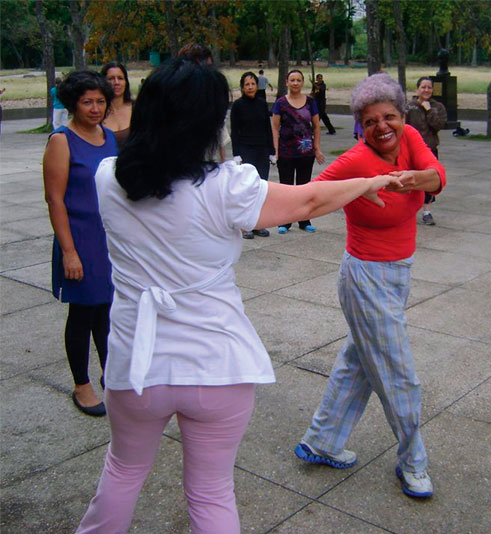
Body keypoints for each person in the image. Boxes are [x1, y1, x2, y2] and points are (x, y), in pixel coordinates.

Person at [74, 58, 400, 534]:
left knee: (122, 472)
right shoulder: (227, 187)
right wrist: (368, 181)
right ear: (208, 124)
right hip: (216, 364)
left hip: (136, 365)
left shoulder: (108, 178)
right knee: (210, 492)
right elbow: (308, 199)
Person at [294, 72, 446, 499]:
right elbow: (307, 196)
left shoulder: (412, 136)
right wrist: (357, 187)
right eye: (371, 120)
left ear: (402, 115)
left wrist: (411, 179)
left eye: (390, 117)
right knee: (399, 374)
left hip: (399, 272)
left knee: (359, 362)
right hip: (365, 276)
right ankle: (413, 462)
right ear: (361, 124)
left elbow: (436, 175)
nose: (383, 127)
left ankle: (322, 441)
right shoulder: (357, 160)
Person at [42, 70, 118, 417]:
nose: (94, 108)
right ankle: (81, 384)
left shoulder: (110, 137)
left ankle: (111, 377)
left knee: (108, 311)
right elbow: (55, 200)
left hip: (108, 239)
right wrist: (69, 252)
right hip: (79, 238)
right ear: (73, 103)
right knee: (83, 313)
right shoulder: (62, 140)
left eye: (100, 101)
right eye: (87, 101)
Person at [272, 69, 325, 234]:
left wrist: (317, 149)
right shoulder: (280, 103)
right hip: (286, 152)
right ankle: (285, 221)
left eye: (298, 80)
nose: (295, 83)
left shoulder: (310, 102)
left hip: (306, 152)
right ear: (287, 82)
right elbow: (274, 127)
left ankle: (304, 220)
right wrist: (275, 151)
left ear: (302, 82)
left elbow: (316, 127)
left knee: (304, 188)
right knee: (286, 189)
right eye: (292, 80)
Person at [231, 71, 275, 239]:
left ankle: (258, 224)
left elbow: (267, 128)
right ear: (242, 87)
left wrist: (272, 151)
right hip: (246, 149)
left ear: (257, 85)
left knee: (261, 188)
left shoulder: (262, 104)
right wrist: (237, 154)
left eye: (253, 84)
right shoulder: (238, 105)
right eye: (247, 84)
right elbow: (235, 131)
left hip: (262, 149)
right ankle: (245, 226)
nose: (250, 87)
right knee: (247, 189)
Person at [178, 43, 231, 161]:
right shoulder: (171, 101)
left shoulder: (213, 100)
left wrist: (224, 165)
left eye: (209, 68)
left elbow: (221, 135)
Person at [406, 76, 448, 226]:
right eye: (423, 87)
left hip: (429, 150)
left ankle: (427, 212)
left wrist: (429, 110)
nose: (426, 90)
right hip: (411, 150)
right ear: (417, 89)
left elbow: (438, 125)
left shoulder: (438, 107)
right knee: (409, 180)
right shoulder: (409, 107)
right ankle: (408, 212)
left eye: (429, 87)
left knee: (428, 181)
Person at [100, 62, 133, 146]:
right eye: (111, 79)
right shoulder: (96, 112)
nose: (116, 82)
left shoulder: (138, 108)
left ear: (126, 82)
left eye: (120, 78)